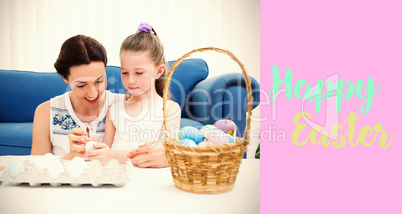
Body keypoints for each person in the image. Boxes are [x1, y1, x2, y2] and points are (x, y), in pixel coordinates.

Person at [85, 23, 181, 167]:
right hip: (117, 181)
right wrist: (93, 147)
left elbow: (166, 155)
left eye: (139, 73)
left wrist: (112, 155)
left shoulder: (169, 109)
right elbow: (105, 154)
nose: (130, 80)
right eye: (124, 72)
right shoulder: (115, 110)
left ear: (159, 71)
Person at [31, 35, 125, 159]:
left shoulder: (125, 105)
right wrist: (70, 157)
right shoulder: (46, 112)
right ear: (65, 78)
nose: (93, 94)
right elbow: (37, 170)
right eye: (81, 85)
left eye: (99, 81)